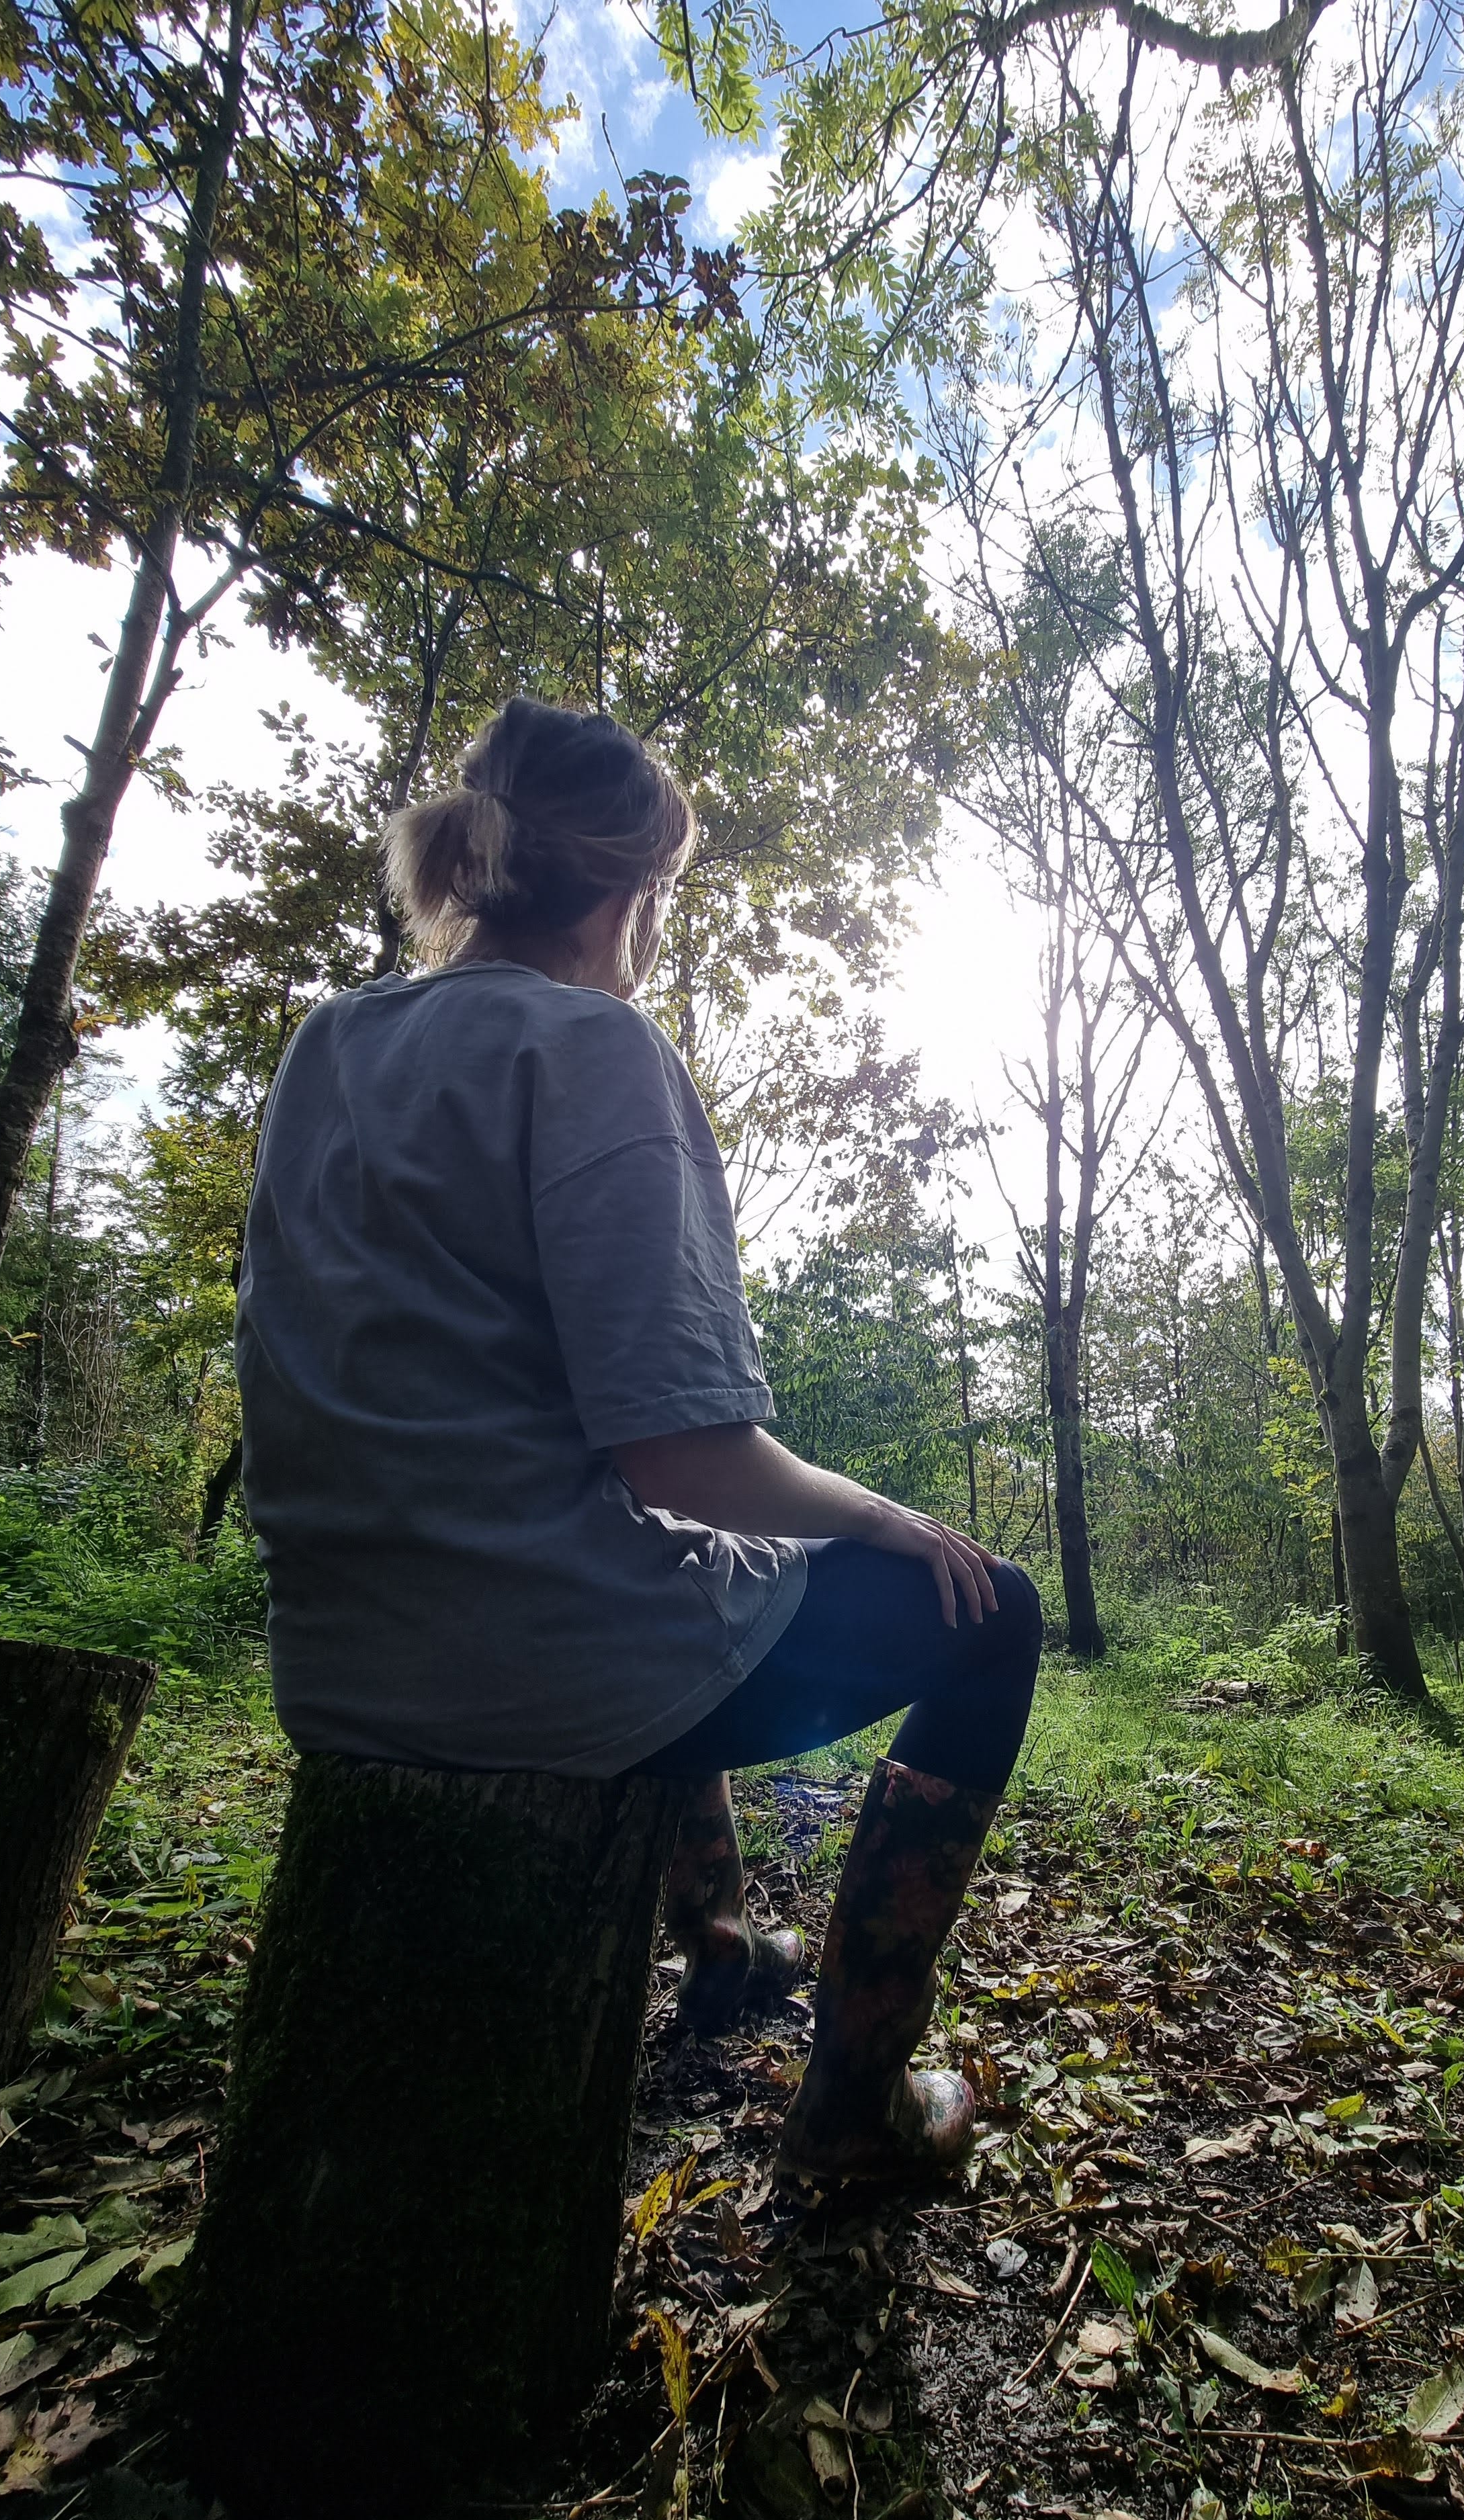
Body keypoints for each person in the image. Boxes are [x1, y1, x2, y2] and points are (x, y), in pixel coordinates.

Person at [235, 697, 1043, 2185]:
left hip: (341, 1662)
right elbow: (685, 1455)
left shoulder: (330, 1044)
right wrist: (884, 1518)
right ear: (633, 890)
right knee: (992, 1613)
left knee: (700, 1566)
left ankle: (726, 1939)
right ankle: (859, 2104)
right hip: (532, 1671)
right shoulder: (592, 1045)